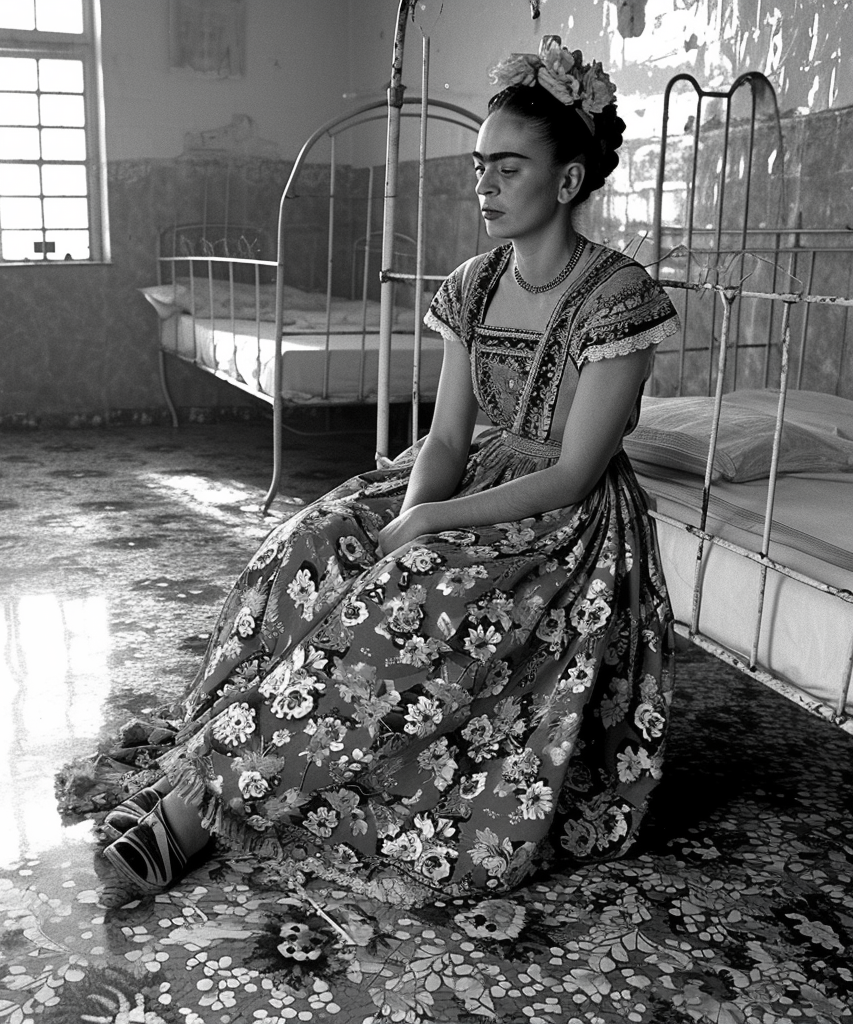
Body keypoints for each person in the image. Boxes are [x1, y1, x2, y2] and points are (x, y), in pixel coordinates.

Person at [72, 36, 679, 907]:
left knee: (410, 595)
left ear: (570, 180)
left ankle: (197, 811)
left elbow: (574, 473)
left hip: (564, 523)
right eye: (479, 168)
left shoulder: (618, 295)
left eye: (509, 169)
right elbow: (443, 440)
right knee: (309, 541)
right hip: (471, 476)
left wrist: (427, 530)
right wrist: (409, 514)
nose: (485, 188)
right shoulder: (474, 284)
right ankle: (210, 760)